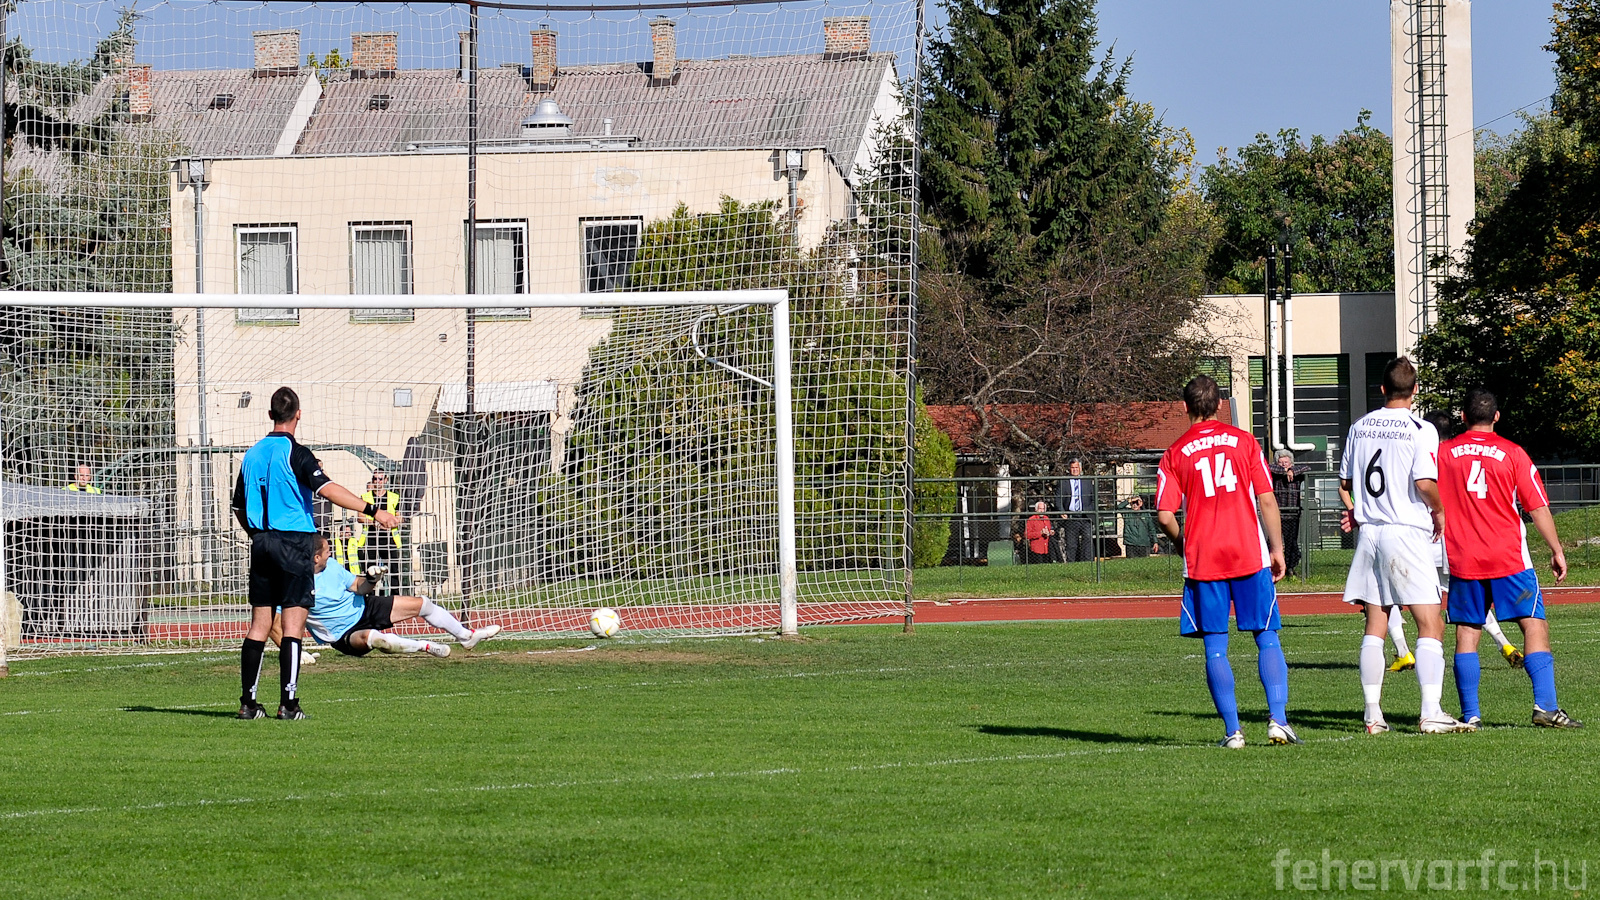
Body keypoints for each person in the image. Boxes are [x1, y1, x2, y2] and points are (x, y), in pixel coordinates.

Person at [231, 386, 400, 721]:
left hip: (261, 542)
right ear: (298, 415)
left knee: (259, 625)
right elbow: (329, 489)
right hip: (294, 544)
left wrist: (257, 535)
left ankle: (248, 704)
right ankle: (288, 705)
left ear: (270, 415)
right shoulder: (297, 453)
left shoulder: (251, 455)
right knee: (292, 626)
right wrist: (374, 510)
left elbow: (238, 505)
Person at [1156, 375, 1299, 748]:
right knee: (1266, 636)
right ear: (1220, 405)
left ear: (1185, 407)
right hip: (1248, 552)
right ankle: (1278, 720)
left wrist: (1183, 543)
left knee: (1215, 647)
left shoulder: (1175, 453)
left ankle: (1233, 731)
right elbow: (1267, 499)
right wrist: (1277, 548)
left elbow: (1165, 515)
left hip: (1204, 558)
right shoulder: (1245, 442)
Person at [1340, 357, 1473, 735]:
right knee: (1431, 622)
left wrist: (1358, 511)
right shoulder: (1421, 428)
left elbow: (1345, 483)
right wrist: (1439, 510)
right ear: (1414, 391)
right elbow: (1424, 482)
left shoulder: (1359, 426)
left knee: (1376, 623)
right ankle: (1431, 712)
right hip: (1406, 532)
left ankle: (1372, 715)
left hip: (1370, 534)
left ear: (1382, 388)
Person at [1438, 388, 1580, 728]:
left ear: (1463, 416)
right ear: (1497, 417)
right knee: (1533, 624)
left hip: (1463, 556)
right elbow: (1537, 506)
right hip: (1508, 556)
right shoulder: (1513, 453)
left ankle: (1471, 715)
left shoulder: (1443, 453)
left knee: (1468, 631)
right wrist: (1556, 549)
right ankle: (1546, 706)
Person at [1383, 410, 1525, 673]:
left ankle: (1404, 652)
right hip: (1454, 544)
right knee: (1474, 602)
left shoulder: (1424, 456)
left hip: (1421, 540)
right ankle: (1504, 643)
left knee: (1386, 595)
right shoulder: (1460, 456)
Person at [302, 534, 500, 658]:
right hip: (343, 634)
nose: (331, 554)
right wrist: (297, 651)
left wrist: (371, 579)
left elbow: (358, 587)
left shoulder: (332, 566)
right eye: (327, 551)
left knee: (423, 604)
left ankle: (466, 636)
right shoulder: (296, 583)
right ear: (316, 557)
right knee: (379, 640)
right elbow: (286, 621)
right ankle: (425, 646)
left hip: (364, 607)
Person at [1270, 450, 1310, 572]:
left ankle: (1290, 568)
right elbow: (1268, 467)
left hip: (1292, 514)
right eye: (1280, 462)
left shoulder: (1296, 473)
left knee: (1291, 542)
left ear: (1291, 462)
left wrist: (1292, 471)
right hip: (1277, 514)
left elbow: (1307, 468)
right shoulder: (1275, 473)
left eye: (1286, 462)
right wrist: (1284, 471)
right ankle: (1271, 566)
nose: (1283, 464)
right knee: (1271, 541)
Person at [1055, 459, 1097, 562]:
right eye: (1072, 468)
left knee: (1087, 540)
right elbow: (1058, 499)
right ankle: (1072, 564)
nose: (1075, 470)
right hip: (1071, 517)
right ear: (1069, 469)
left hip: (1085, 516)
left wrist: (1090, 510)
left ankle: (1088, 563)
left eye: (1076, 467)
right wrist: (1062, 511)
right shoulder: (1063, 482)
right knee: (1071, 544)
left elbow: (1094, 498)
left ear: (1080, 468)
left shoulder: (1087, 481)